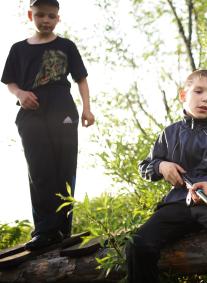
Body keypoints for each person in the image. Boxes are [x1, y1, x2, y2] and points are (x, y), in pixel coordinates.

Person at [126, 69, 207, 283]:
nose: (206, 98)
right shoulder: (169, 133)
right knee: (137, 243)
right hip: (178, 202)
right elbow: (145, 167)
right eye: (198, 91)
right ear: (183, 95)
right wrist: (161, 166)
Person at [1, 0, 95, 250]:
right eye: (40, 14)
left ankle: (62, 230)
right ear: (30, 15)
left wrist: (87, 109)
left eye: (51, 16)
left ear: (58, 19)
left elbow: (81, 80)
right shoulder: (18, 49)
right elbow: (9, 81)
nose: (45, 20)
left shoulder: (66, 46)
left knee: (64, 168)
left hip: (63, 109)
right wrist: (20, 94)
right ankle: (44, 230)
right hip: (31, 113)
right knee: (40, 169)